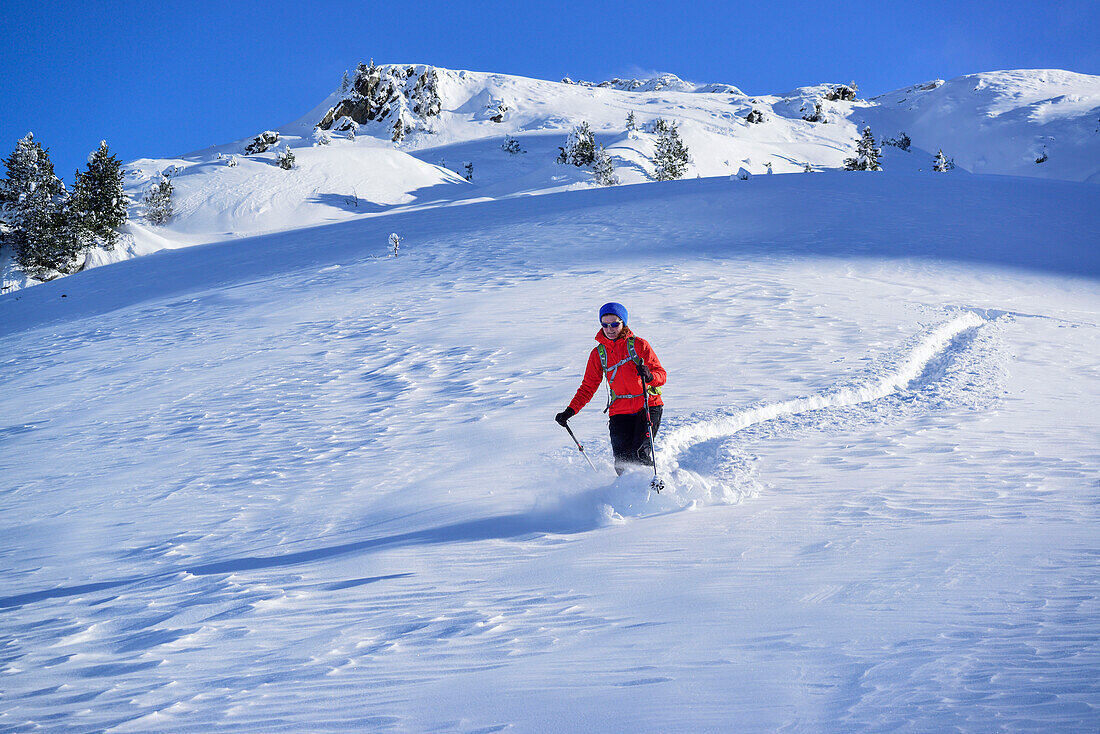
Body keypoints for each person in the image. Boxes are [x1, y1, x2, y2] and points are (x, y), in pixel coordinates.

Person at [555, 302, 667, 475]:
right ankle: (628, 495)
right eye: (605, 325)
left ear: (623, 323)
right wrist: (570, 411)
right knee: (622, 462)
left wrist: (650, 376)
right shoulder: (598, 353)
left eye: (614, 324)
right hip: (619, 411)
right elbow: (588, 386)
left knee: (639, 454)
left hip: (648, 406)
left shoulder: (639, 345)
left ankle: (652, 486)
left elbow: (661, 375)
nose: (610, 329)